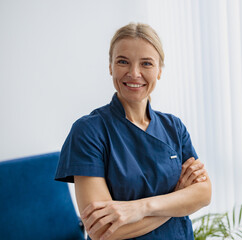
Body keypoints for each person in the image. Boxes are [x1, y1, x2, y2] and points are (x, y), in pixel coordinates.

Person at [55, 22, 212, 240]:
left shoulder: (174, 127)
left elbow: (203, 194)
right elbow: (103, 231)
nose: (134, 73)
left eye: (146, 63)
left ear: (159, 71)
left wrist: (141, 208)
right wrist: (177, 200)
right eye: (123, 62)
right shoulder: (88, 131)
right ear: (110, 66)